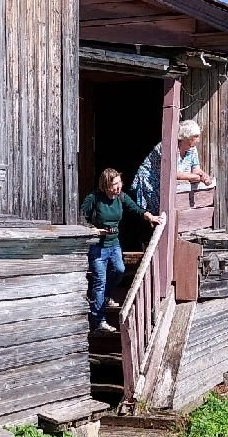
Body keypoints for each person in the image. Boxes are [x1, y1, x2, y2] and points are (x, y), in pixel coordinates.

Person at [80, 168, 160, 332]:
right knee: (99, 283)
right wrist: (93, 229)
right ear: (105, 186)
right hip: (98, 247)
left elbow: (135, 208)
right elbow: (81, 217)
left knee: (119, 270)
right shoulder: (94, 199)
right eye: (114, 184)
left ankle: (105, 297)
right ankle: (99, 321)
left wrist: (150, 217)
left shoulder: (121, 197)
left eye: (119, 183)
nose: (118, 187)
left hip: (114, 243)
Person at [130, 119, 214, 215]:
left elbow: (196, 169)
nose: (198, 140)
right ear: (186, 137)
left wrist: (203, 175)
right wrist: (194, 177)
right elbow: (172, 173)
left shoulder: (192, 148)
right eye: (195, 136)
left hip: (168, 182)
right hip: (152, 181)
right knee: (158, 214)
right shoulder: (168, 146)